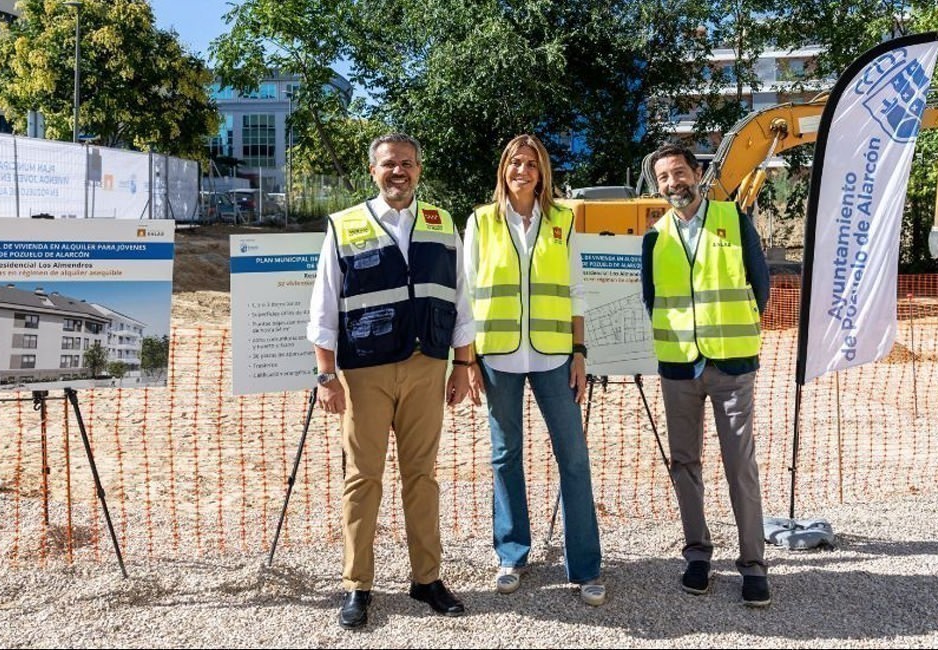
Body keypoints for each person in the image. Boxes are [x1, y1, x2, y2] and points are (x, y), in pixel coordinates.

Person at [307, 133, 475, 629]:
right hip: (365, 372)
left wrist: (463, 367)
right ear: (372, 172)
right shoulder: (344, 226)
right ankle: (357, 585)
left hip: (428, 367)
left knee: (421, 477)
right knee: (363, 478)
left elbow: (461, 302)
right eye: (388, 165)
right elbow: (323, 308)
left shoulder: (442, 224)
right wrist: (326, 375)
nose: (398, 172)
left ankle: (427, 579)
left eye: (406, 163)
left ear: (418, 169)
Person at [464, 134, 605, 606]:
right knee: (505, 456)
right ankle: (511, 555)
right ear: (504, 169)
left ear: (542, 172)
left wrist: (580, 352)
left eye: (531, 164)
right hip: (498, 356)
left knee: (574, 458)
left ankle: (585, 566)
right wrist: (466, 360)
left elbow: (577, 291)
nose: (522, 170)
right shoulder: (481, 221)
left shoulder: (563, 220)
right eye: (514, 163)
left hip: (554, 356)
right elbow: (465, 296)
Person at [639, 143, 772, 607]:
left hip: (732, 365)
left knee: (740, 466)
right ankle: (697, 555)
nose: (674, 183)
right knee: (685, 465)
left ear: (698, 173)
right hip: (678, 367)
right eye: (664, 178)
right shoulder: (654, 237)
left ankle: (753, 565)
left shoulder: (734, 221)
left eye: (680, 172)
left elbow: (761, 286)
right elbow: (650, 298)